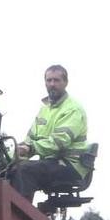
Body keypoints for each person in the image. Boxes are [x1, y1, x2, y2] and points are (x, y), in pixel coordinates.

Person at [9, 65, 88, 201]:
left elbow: (59, 142)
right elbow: (30, 139)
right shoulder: (45, 110)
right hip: (51, 162)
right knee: (9, 169)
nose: (52, 84)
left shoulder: (73, 109)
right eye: (49, 80)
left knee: (25, 170)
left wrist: (31, 147)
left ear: (66, 82)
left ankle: (19, 216)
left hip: (69, 165)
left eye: (56, 80)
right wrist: (12, 156)